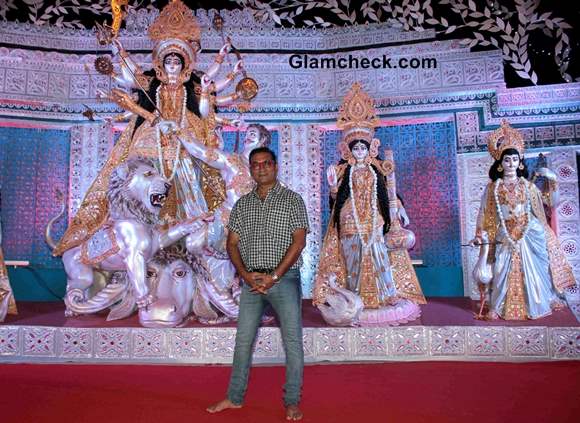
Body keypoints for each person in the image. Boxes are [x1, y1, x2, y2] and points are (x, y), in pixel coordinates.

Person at [53, 0, 244, 256]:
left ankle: (191, 236)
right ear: (161, 65)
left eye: (178, 62)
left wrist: (215, 80)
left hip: (184, 142)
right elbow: (129, 83)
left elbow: (207, 112)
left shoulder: (196, 86)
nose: (173, 66)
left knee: (190, 180)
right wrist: (119, 50)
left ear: (185, 65)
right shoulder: (151, 86)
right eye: (169, 62)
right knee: (141, 176)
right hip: (152, 140)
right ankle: (141, 235)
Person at [207, 147, 309, 421]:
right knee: (243, 341)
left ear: (275, 166)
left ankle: (291, 401)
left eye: (266, 163)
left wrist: (275, 275)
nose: (261, 168)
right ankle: (235, 397)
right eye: (255, 165)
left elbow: (299, 242)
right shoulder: (242, 204)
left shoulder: (292, 200)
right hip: (251, 282)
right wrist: (245, 275)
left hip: (284, 281)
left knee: (292, 342)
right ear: (250, 170)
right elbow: (232, 244)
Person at [313, 83, 425, 326]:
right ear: (350, 150)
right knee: (352, 258)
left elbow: (388, 192)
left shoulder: (378, 169)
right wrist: (333, 187)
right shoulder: (343, 170)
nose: (361, 151)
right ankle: (354, 296)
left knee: (378, 256)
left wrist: (398, 208)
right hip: (351, 220)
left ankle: (386, 294)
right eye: (357, 148)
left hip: (374, 219)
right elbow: (335, 201)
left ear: (370, 148)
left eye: (364, 147)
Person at [471, 120, 576, 320]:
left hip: (530, 232)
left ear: (520, 163)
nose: (510, 164)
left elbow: (550, 202)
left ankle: (544, 299)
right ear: (500, 164)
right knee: (501, 270)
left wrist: (552, 180)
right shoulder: (493, 188)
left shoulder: (528, 186)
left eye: (514, 160)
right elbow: (484, 213)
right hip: (505, 233)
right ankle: (498, 306)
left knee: (538, 269)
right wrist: (479, 234)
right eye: (506, 160)